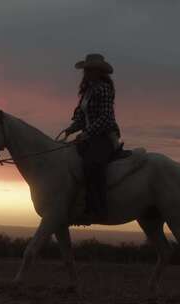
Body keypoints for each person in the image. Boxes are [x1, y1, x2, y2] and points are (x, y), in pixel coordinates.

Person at [62, 53, 121, 221]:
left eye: (89, 70)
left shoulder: (104, 88)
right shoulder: (87, 92)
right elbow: (82, 118)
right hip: (89, 137)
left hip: (104, 136)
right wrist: (70, 129)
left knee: (92, 163)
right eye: (85, 70)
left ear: (98, 72)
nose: (86, 73)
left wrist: (86, 133)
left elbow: (105, 118)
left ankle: (98, 208)